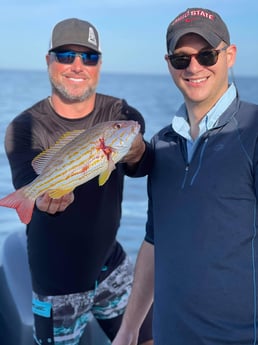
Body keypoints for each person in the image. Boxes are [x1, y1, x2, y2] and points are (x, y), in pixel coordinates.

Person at [112, 7, 258, 345]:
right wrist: (130, 328)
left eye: (207, 54)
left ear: (229, 55)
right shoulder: (162, 144)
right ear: (169, 64)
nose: (194, 67)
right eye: (181, 59)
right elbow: (153, 241)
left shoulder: (253, 131)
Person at [4, 18, 153, 345]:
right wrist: (45, 200)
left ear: (99, 64)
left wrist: (138, 151)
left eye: (88, 57)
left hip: (111, 263)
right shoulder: (23, 127)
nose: (77, 65)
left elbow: (141, 167)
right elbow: (34, 182)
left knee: (147, 339)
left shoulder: (122, 114)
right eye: (65, 55)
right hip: (57, 277)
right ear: (48, 61)